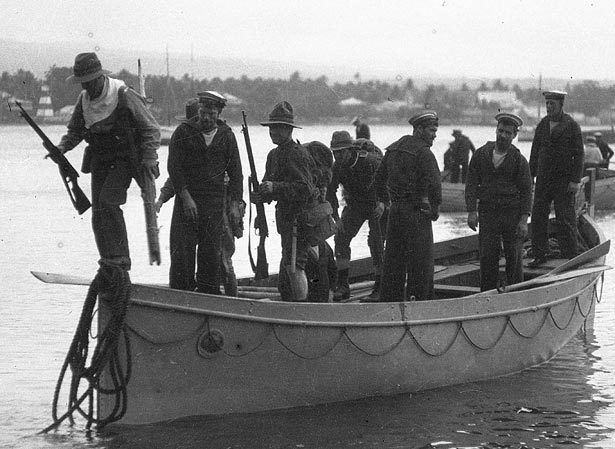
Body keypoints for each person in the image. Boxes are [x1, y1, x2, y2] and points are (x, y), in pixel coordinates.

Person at [49, 52, 160, 271]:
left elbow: (151, 129)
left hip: (125, 159)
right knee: (98, 212)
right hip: (99, 159)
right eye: (83, 83)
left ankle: (120, 258)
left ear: (100, 77)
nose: (86, 87)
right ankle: (108, 260)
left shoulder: (123, 94)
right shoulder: (84, 100)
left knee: (109, 202)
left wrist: (149, 158)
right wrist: (61, 148)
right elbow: (75, 131)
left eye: (90, 81)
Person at [167, 91, 243, 293]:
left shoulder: (226, 136)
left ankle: (208, 295)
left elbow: (236, 173)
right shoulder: (183, 132)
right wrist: (185, 198)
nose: (206, 118)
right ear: (198, 111)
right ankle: (181, 294)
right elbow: (174, 168)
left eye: (211, 114)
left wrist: (235, 204)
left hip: (214, 203)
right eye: (203, 113)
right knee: (182, 252)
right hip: (187, 202)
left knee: (210, 253)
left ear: (218, 114)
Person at [251, 101, 320, 301]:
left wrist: (275, 187)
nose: (273, 132)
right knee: (290, 264)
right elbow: (269, 186)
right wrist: (262, 195)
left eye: (278, 127)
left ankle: (301, 308)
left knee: (295, 266)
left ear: (289, 130)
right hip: (286, 220)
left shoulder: (297, 154)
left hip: (300, 220)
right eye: (271, 127)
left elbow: (305, 189)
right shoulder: (273, 155)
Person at [373, 110, 442, 302]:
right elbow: (435, 184)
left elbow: (378, 179)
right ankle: (420, 302)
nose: (434, 135)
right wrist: (435, 209)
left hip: (395, 212)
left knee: (393, 261)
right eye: (431, 130)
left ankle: (389, 301)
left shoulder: (393, 149)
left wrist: (385, 201)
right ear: (419, 129)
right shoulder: (424, 153)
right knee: (421, 263)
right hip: (417, 213)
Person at [465, 113, 532, 291]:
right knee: (487, 256)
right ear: (496, 130)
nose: (503, 135)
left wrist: (523, 220)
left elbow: (527, 191)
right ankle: (487, 293)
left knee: (514, 256)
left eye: (508, 133)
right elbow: (471, 183)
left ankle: (515, 292)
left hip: (512, 214)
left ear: (514, 135)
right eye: (500, 131)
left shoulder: (519, 160)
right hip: (488, 213)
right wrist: (471, 211)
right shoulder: (481, 155)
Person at [528, 90, 584, 267]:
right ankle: (539, 254)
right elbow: (535, 152)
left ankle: (570, 257)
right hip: (543, 179)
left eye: (552, 103)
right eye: (547, 103)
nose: (548, 107)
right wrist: (530, 176)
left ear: (561, 105)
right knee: (538, 216)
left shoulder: (571, 125)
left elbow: (579, 154)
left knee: (565, 218)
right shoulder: (543, 125)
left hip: (563, 181)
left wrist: (575, 180)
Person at [328, 130, 384, 302]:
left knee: (376, 241)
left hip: (376, 203)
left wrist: (383, 203)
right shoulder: (337, 167)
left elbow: (386, 180)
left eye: (341, 152)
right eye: (335, 152)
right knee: (341, 237)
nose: (338, 156)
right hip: (356, 204)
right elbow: (330, 193)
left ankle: (380, 287)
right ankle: (343, 286)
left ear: (350, 150)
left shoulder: (370, 161)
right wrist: (336, 218)